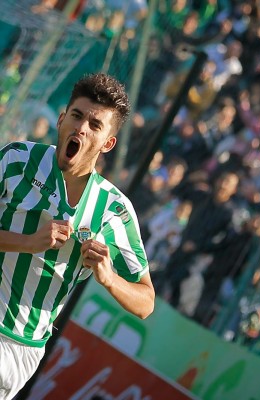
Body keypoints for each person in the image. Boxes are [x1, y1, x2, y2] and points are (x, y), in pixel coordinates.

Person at [0, 73, 155, 399]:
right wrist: (27, 243)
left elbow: (146, 302)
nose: (82, 128)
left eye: (95, 125)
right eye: (77, 116)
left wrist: (109, 278)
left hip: (18, 346)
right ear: (61, 118)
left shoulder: (114, 211)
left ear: (107, 143)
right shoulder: (17, 160)